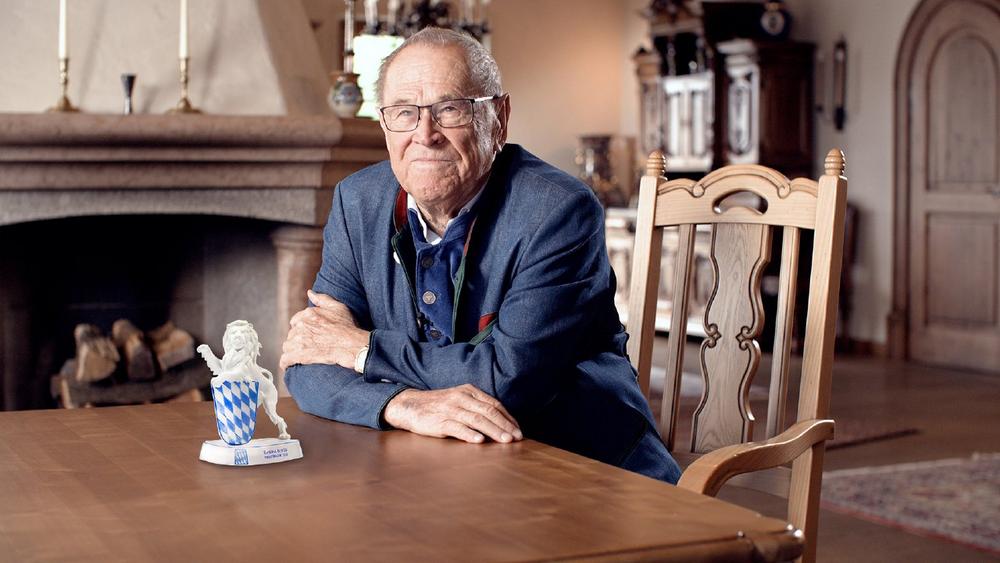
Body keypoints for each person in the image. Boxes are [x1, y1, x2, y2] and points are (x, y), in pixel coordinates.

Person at [279, 27, 681, 484]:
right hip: (442, 472)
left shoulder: (558, 211)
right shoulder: (358, 201)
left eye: (450, 109)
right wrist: (402, 404)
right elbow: (308, 363)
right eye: (404, 113)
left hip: (585, 471)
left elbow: (508, 381)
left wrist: (360, 350)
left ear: (499, 117)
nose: (425, 134)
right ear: (385, 125)